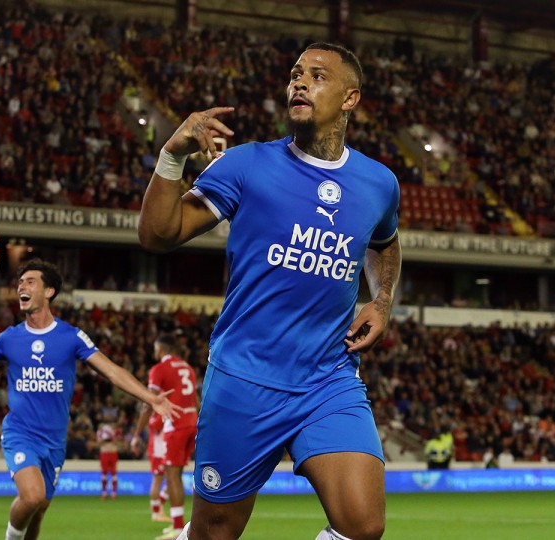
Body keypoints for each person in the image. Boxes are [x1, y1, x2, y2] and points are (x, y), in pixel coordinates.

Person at [138, 42, 401, 540]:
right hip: (245, 378)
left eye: (317, 76)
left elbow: (385, 244)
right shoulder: (245, 165)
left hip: (328, 377)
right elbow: (157, 235)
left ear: (350, 99)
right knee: (214, 533)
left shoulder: (379, 183)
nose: (299, 83)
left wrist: (382, 299)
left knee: (362, 525)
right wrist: (172, 156)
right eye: (296, 73)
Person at [0, 259, 179, 540]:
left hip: (54, 441)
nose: (22, 286)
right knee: (32, 497)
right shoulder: (9, 338)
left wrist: (150, 398)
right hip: (20, 433)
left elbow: (112, 372)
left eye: (30, 281)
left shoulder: (71, 337)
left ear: (49, 291)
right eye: (20, 282)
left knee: (39, 508)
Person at [131, 334, 199, 539]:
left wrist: (136, 434)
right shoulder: (187, 367)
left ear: (161, 349)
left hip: (176, 424)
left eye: (155, 348)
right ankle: (178, 522)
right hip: (192, 422)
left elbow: (148, 402)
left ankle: (178, 527)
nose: (154, 352)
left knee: (172, 475)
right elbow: (195, 398)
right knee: (176, 474)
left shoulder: (159, 369)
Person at [133, 411, 170, 523]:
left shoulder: (158, 413)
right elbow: (156, 426)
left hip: (163, 450)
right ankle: (156, 512)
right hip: (158, 451)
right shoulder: (157, 414)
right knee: (158, 481)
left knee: (172, 481)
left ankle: (158, 506)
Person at [97, 416, 122, 499]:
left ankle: (114, 493)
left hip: (113, 452)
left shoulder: (115, 432)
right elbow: (99, 443)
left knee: (114, 473)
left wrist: (112, 438)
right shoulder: (101, 432)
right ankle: (104, 492)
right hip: (104, 452)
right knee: (104, 473)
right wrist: (105, 439)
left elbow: (118, 443)